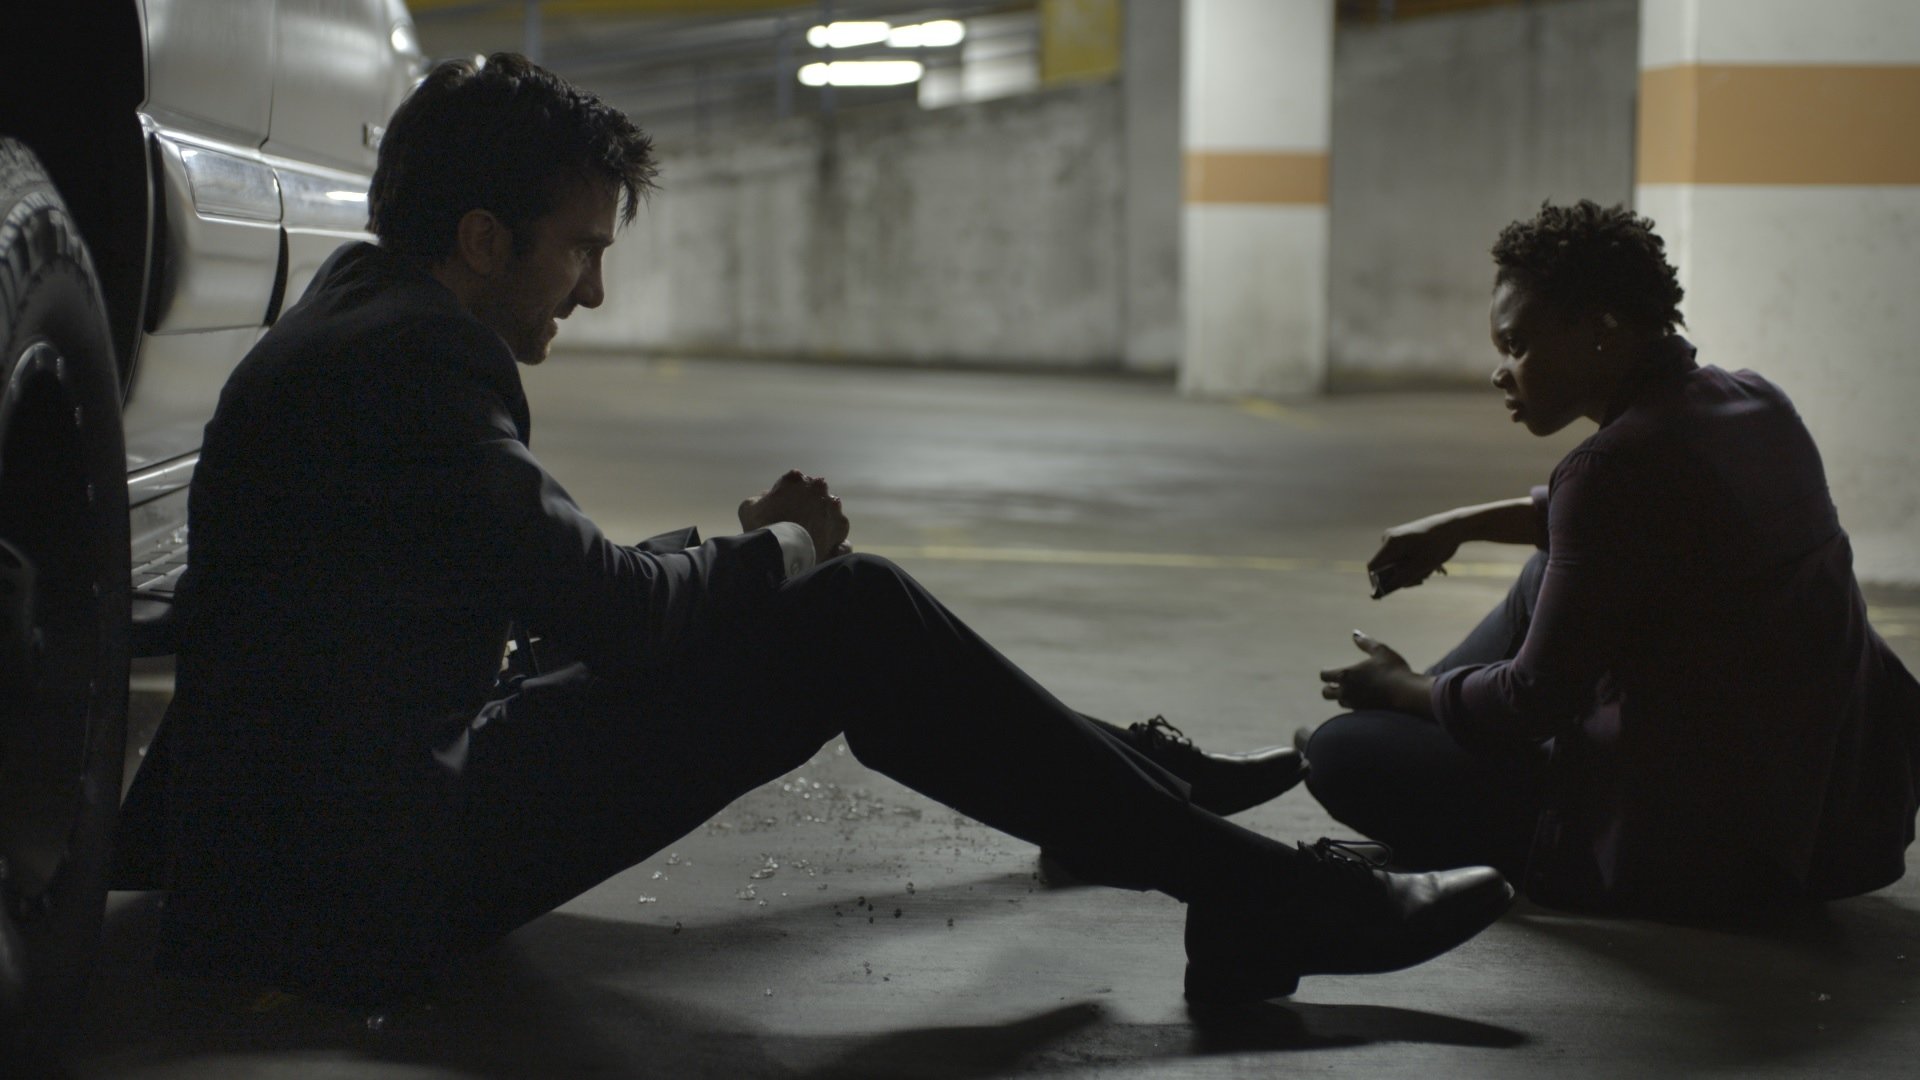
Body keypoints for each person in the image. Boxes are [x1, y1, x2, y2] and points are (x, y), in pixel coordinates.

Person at [114, 54, 1510, 1009]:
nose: (591, 293)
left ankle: (1127, 792)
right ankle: (1247, 887)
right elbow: (615, 611)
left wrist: (732, 566)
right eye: (582, 249)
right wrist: (778, 555)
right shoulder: (422, 363)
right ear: (485, 239)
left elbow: (536, 577)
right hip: (365, 892)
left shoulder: (349, 321)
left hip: (284, 855)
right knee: (847, 612)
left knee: (770, 590)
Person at [1305, 200, 1920, 918]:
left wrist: (1401, 687)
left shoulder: (1609, 468)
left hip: (1688, 848)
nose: (1501, 372)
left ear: (1601, 330)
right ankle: (1427, 721)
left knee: (1339, 754)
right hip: (1820, 819)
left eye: (1517, 345)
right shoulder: (1756, 402)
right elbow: (1608, 525)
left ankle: (1415, 722)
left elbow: (1531, 699)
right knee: (1545, 570)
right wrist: (1459, 526)